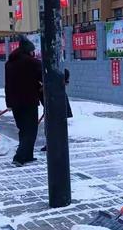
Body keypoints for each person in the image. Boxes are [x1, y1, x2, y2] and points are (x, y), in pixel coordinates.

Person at [5, 36, 42, 166]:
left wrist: (8, 103)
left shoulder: (9, 63)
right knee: (30, 130)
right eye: (33, 50)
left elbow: (7, 84)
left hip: (15, 103)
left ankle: (28, 155)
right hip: (29, 101)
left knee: (23, 129)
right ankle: (19, 157)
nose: (34, 53)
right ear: (28, 50)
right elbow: (44, 75)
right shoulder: (32, 62)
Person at [40, 68, 73, 152]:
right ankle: (51, 143)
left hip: (57, 103)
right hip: (52, 102)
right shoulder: (49, 72)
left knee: (56, 125)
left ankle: (56, 144)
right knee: (51, 125)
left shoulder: (56, 72)